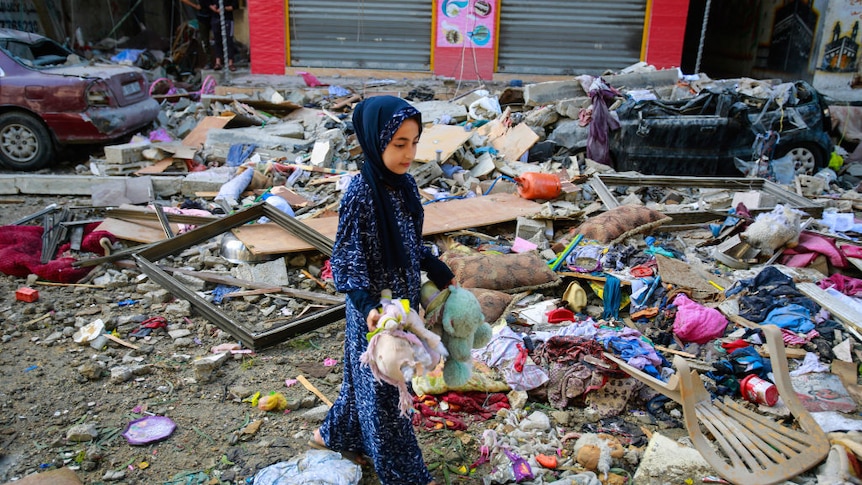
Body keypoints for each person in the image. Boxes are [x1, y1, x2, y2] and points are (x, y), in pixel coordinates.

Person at [312, 96, 453, 485]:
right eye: (399, 144)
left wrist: (431, 263)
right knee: (388, 395)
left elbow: (407, 241)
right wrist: (367, 305)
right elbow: (345, 259)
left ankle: (333, 435)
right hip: (375, 310)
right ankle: (404, 475)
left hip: (402, 301)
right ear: (375, 142)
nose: (409, 153)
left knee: (363, 383)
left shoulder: (404, 185)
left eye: (414, 142)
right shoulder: (361, 194)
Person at [180, 0, 212, 68]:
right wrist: (195, 6)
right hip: (203, 17)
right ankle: (209, 61)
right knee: (204, 40)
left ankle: (220, 60)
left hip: (215, 16)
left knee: (218, 39)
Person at [209, 0, 237, 71]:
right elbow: (207, 3)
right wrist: (213, 8)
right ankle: (218, 62)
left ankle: (230, 62)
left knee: (229, 41)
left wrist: (224, 9)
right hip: (215, 18)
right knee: (217, 41)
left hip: (228, 19)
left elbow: (235, 6)